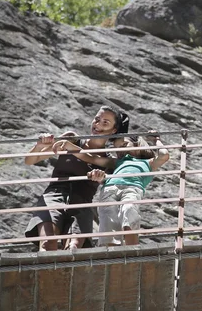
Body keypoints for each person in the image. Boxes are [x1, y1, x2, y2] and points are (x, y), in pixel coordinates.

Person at [24, 106, 129, 251]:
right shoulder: (72, 139)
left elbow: (100, 170)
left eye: (105, 122)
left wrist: (100, 178)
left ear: (114, 130)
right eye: (97, 119)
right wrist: (39, 146)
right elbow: (30, 161)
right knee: (48, 244)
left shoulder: (109, 161)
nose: (97, 125)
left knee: (73, 249)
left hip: (82, 203)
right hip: (53, 195)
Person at [56, 133, 169, 246]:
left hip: (132, 188)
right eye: (118, 148)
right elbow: (91, 158)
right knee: (108, 215)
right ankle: (109, 249)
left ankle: (133, 248)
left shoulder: (148, 162)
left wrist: (156, 140)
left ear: (138, 145)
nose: (121, 149)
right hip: (109, 188)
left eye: (125, 144)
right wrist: (69, 146)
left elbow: (164, 155)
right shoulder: (116, 162)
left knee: (129, 209)